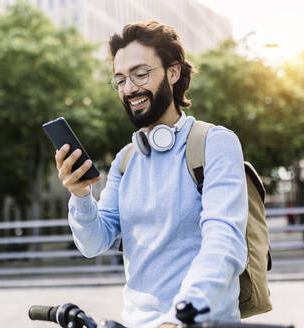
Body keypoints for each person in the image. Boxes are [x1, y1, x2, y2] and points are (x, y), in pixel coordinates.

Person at [54, 21, 248, 328]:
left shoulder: (215, 143)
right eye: (120, 80)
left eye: (140, 74)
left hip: (198, 321)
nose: (129, 89)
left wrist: (179, 317)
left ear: (172, 73)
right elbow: (93, 244)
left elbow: (224, 242)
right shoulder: (126, 160)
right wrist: (80, 197)